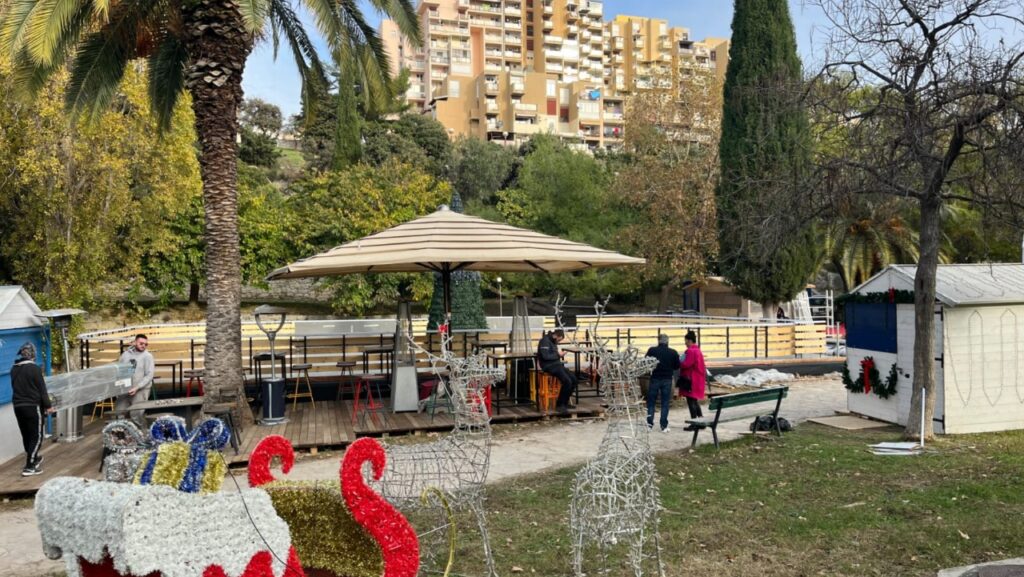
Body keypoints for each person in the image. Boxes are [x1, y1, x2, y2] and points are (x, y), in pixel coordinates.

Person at [11, 342, 55, 476]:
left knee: (26, 434)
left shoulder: (14, 369)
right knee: (37, 435)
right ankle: (30, 466)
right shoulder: (34, 369)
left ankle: (34, 457)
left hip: (18, 406)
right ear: (33, 355)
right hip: (32, 406)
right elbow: (42, 390)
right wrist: (48, 406)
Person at [537, 329, 576, 416]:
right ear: (555, 336)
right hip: (548, 366)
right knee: (567, 381)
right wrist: (559, 355)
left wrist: (558, 355)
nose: (558, 342)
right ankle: (559, 405)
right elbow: (545, 356)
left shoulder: (552, 341)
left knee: (574, 379)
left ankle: (565, 402)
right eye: (559, 340)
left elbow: (552, 354)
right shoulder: (544, 341)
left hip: (556, 364)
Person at [117, 334, 155, 424]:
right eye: (141, 343)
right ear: (134, 342)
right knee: (118, 413)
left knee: (136, 415)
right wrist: (118, 386)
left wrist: (137, 387)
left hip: (140, 390)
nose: (143, 346)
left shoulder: (147, 356)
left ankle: (140, 432)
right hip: (125, 389)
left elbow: (149, 375)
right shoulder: (125, 354)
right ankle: (121, 432)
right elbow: (119, 370)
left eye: (146, 344)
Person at [645, 334, 679, 433]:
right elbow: (677, 366)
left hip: (655, 378)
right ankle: (664, 426)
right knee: (665, 403)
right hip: (667, 379)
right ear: (667, 341)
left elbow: (646, 363)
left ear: (658, 340)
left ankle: (649, 425)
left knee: (651, 402)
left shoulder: (652, 350)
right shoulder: (673, 352)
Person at [678, 331, 707, 430]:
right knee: (694, 401)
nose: (685, 343)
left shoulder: (690, 351)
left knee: (691, 401)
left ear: (690, 340)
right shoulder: (698, 350)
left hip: (691, 380)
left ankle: (694, 423)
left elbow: (686, 364)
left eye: (686, 341)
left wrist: (679, 362)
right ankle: (701, 421)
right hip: (698, 379)